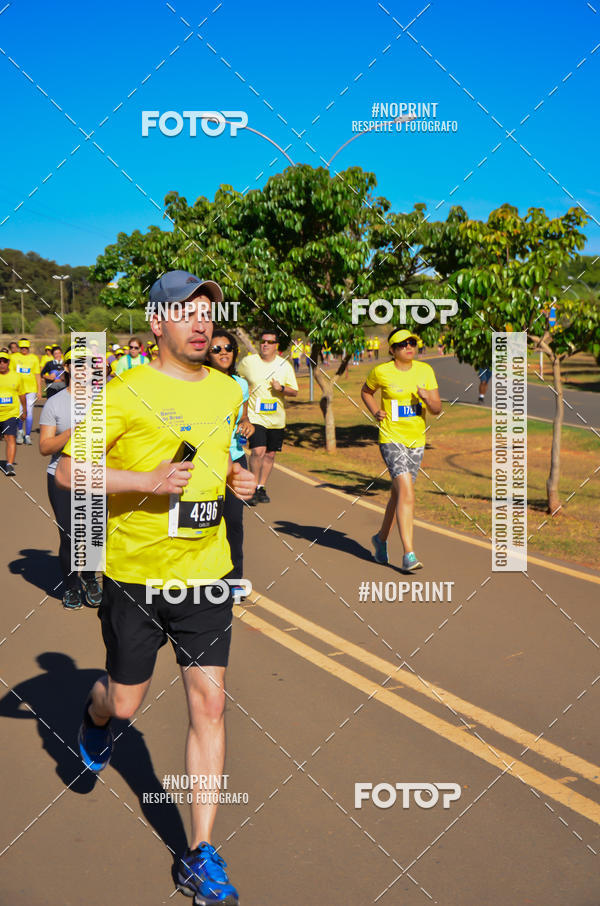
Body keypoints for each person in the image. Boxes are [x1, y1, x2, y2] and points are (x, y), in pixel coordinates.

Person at [56, 270, 255, 906]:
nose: (201, 323)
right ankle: (94, 721)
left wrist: (239, 478)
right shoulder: (123, 392)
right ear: (156, 321)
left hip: (207, 572)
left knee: (210, 707)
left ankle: (199, 854)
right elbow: (65, 468)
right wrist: (143, 480)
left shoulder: (228, 390)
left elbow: (223, 457)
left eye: (208, 313)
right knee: (123, 706)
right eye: (185, 312)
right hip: (136, 577)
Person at [361, 328, 442, 572]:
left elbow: (437, 409)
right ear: (393, 350)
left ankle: (380, 539)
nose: (409, 347)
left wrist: (428, 398)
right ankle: (408, 553)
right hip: (390, 438)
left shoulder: (425, 371)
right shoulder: (381, 371)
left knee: (399, 495)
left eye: (412, 343)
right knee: (406, 489)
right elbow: (366, 391)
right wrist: (375, 411)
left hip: (416, 441)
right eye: (403, 343)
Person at [39, 350, 103, 609]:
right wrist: (73, 432)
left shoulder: (103, 401)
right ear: (66, 368)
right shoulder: (55, 403)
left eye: (87, 363)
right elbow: (44, 447)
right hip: (62, 477)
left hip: (96, 476)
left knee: (94, 533)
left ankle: (89, 579)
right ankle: (71, 586)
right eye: (76, 363)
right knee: (69, 535)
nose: (82, 368)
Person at [207, 329, 254, 582]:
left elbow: (243, 417)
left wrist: (247, 424)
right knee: (208, 521)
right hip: (206, 462)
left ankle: (234, 579)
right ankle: (206, 576)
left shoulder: (241, 384)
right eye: (216, 349)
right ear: (207, 354)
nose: (223, 352)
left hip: (235, 458)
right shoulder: (199, 382)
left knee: (234, 520)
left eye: (228, 348)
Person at [237, 329, 298, 505]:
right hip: (255, 417)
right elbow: (236, 378)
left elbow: (294, 391)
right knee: (258, 451)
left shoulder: (284, 365)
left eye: (269, 342)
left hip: (276, 419)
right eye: (263, 341)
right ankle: (252, 487)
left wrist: (281, 389)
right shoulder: (249, 362)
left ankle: (261, 487)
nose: (265, 344)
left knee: (270, 455)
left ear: (276, 346)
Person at [10, 338, 41, 444]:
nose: (24, 349)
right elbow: (10, 373)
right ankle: (19, 431)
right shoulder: (13, 357)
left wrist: (39, 390)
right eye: (22, 347)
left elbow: (37, 375)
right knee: (20, 412)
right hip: (18, 390)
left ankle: (27, 435)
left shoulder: (34, 358)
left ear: (28, 348)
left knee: (29, 412)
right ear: (19, 348)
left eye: (26, 348)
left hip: (31, 389)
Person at [0, 352, 26, 476]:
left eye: (4, 361)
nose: (1, 364)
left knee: (10, 437)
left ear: (9, 362)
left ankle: (9, 465)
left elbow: (22, 395)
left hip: (11, 413)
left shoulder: (17, 376)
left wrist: (25, 410)